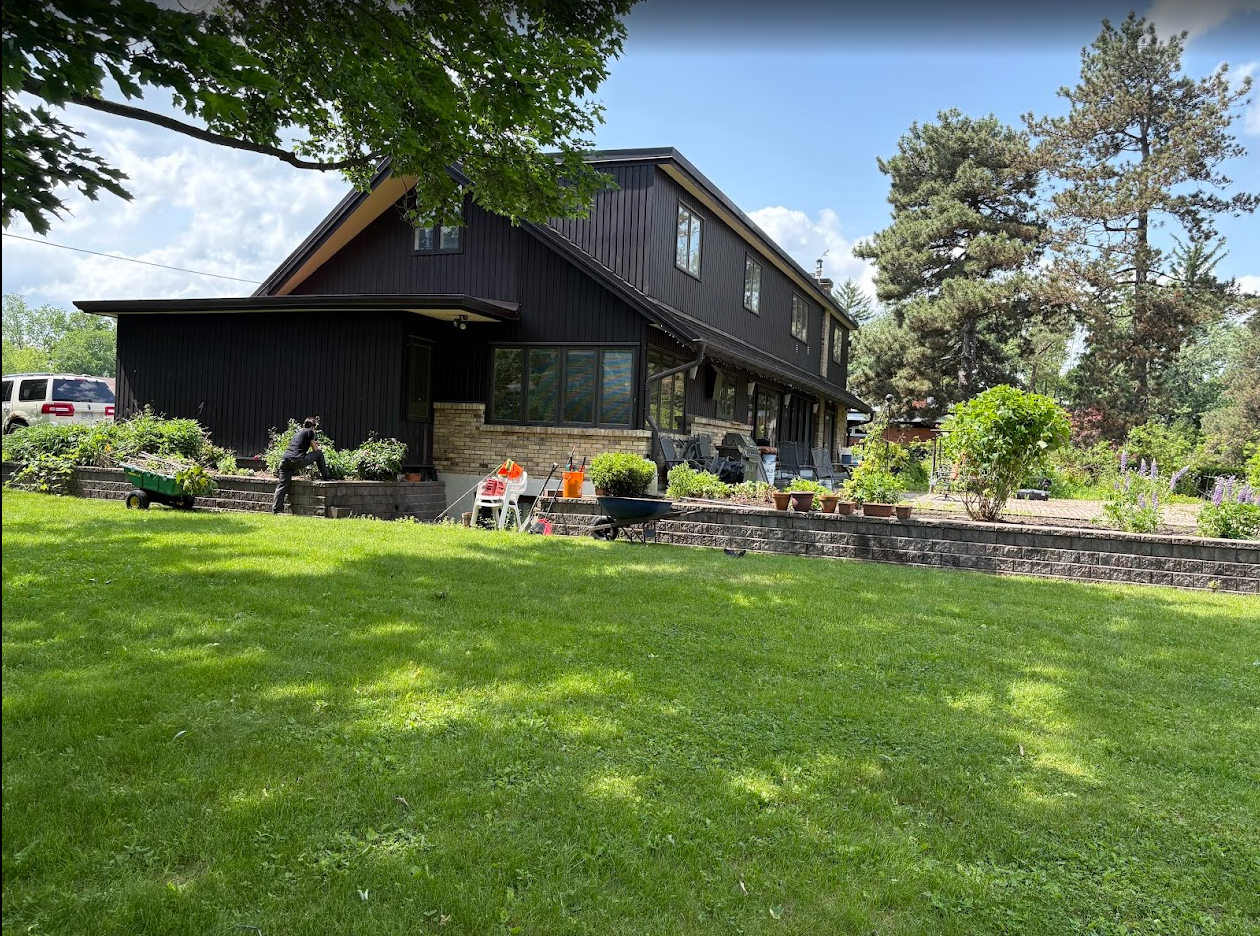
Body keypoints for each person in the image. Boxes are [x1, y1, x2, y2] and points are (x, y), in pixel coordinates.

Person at [272, 417, 331, 513]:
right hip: (297, 460)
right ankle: (326, 476)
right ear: (312, 427)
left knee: (282, 485)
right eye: (315, 427)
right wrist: (317, 445)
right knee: (319, 453)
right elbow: (315, 450)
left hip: (284, 460)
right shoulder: (310, 432)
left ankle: (276, 509)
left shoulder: (297, 434)